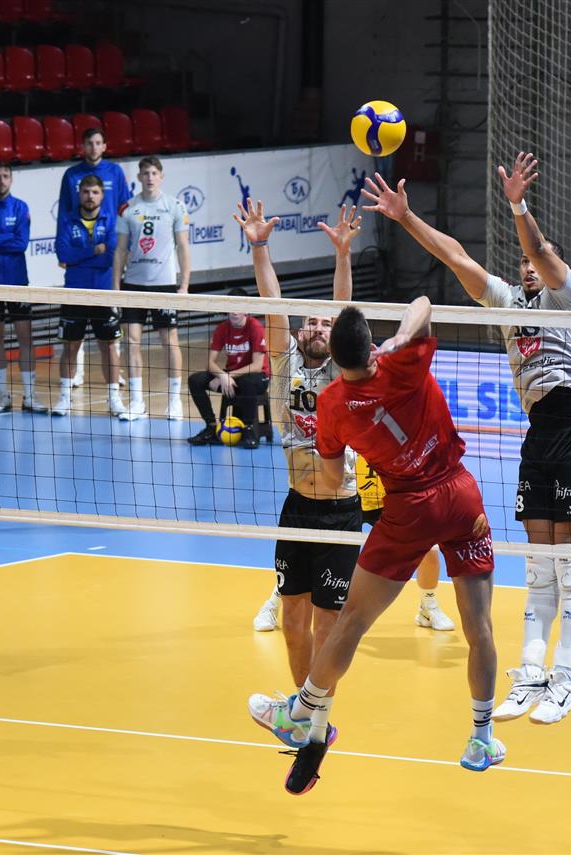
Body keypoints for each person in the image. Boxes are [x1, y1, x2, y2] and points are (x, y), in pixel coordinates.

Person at [362, 164, 571, 725]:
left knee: (570, 562)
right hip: (538, 436)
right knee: (539, 565)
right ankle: (532, 672)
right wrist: (406, 218)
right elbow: (455, 257)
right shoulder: (507, 302)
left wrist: (518, 206)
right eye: (523, 265)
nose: (530, 267)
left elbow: (538, 247)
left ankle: (567, 678)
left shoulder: (567, 296)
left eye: (538, 262)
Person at [251, 293, 504, 795]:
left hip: (407, 508)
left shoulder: (331, 403)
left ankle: (301, 710)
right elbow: (423, 301)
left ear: (336, 357)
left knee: (352, 622)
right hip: (461, 496)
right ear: (372, 346)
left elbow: (331, 475)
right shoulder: (402, 361)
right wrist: (399, 339)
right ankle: (482, 737)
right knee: (480, 628)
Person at [232, 201, 365, 730]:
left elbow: (345, 309)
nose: (315, 327)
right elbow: (272, 302)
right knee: (292, 620)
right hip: (297, 507)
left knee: (328, 625)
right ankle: (306, 717)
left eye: (323, 324)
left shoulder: (342, 371)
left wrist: (342, 254)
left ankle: (314, 716)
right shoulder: (285, 361)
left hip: (340, 511)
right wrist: (259, 246)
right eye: (309, 322)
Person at [113, 156, 192, 421]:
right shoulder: (128, 208)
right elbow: (120, 250)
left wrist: (184, 285)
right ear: (139, 177)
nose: (149, 177)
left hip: (164, 286)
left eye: (154, 173)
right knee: (131, 342)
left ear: (161, 176)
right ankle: (137, 402)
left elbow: (183, 246)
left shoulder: (175, 206)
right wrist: (116, 288)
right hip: (134, 285)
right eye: (145, 173)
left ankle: (174, 402)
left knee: (170, 342)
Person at [57, 127, 130, 387]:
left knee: (108, 332)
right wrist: (69, 251)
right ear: (83, 146)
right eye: (89, 143)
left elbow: (125, 208)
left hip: (108, 251)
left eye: (98, 143)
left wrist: (119, 249)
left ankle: (114, 377)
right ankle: (76, 374)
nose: (94, 147)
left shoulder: (115, 172)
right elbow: (64, 212)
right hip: (79, 250)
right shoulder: (71, 174)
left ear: (105, 146)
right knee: (74, 334)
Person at [0, 163, 46, 414]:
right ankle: (3, 396)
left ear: (11, 180)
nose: (1, 180)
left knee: (26, 338)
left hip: (17, 283)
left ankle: (30, 396)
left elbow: (21, 243)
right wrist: (7, 236)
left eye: (5, 176)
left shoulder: (21, 207)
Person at [51, 175, 123, 417]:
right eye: (85, 191)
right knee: (70, 347)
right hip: (74, 294)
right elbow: (63, 254)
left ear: (102, 195)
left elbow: (109, 257)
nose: (90, 196)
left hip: (103, 293)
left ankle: (114, 399)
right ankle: (64, 398)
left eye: (94, 192)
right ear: (79, 194)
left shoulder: (111, 220)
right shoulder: (67, 220)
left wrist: (78, 257)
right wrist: (93, 250)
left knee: (108, 347)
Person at [355, 456, 454, 630]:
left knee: (429, 551)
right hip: (349, 496)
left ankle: (428, 606)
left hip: (391, 497)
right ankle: (332, 606)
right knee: (339, 550)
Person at [187, 287, 268, 449]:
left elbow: (257, 366)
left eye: (238, 307)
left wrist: (229, 375)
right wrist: (222, 376)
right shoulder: (222, 329)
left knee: (248, 382)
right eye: (231, 307)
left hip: (258, 377)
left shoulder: (255, 327)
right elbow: (210, 363)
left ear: (247, 310)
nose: (234, 312)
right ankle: (211, 427)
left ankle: (249, 430)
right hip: (231, 377)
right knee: (195, 380)